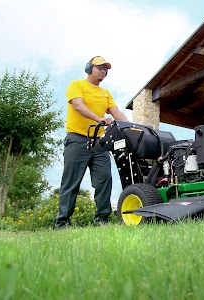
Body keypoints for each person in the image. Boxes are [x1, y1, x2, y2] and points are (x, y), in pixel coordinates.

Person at [55, 56, 128, 228]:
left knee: (104, 179)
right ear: (89, 68)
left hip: (99, 143)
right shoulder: (77, 85)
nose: (103, 71)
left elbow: (116, 113)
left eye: (105, 69)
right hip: (77, 140)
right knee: (71, 182)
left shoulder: (105, 93)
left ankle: (101, 220)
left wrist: (130, 127)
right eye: (99, 67)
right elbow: (78, 106)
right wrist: (99, 119)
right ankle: (62, 222)